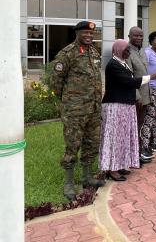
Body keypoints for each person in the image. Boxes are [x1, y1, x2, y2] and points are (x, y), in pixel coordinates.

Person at [51, 20, 105, 201]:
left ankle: (87, 177)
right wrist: (68, 101)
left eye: (91, 34)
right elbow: (56, 82)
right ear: (77, 34)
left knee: (92, 143)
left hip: (94, 108)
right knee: (73, 145)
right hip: (75, 109)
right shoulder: (67, 54)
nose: (89, 36)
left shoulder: (93, 52)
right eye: (85, 33)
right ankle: (68, 183)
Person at [99, 40, 156, 181]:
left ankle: (119, 165)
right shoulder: (113, 65)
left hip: (125, 105)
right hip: (115, 106)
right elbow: (130, 82)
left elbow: (130, 80)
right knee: (115, 137)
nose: (129, 52)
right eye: (127, 50)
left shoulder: (122, 63)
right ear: (119, 50)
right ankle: (112, 169)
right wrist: (150, 77)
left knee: (122, 137)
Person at [125, 26, 152, 165]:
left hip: (145, 96)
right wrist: (137, 96)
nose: (139, 38)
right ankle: (132, 156)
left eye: (141, 36)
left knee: (140, 126)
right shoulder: (127, 52)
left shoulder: (142, 51)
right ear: (129, 36)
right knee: (134, 127)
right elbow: (129, 77)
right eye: (136, 36)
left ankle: (138, 152)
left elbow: (145, 74)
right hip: (137, 98)